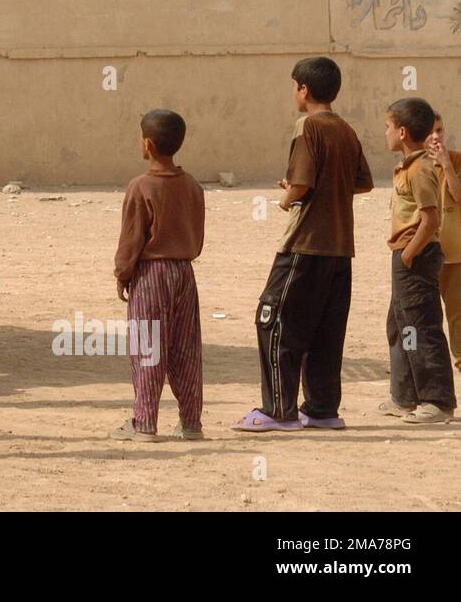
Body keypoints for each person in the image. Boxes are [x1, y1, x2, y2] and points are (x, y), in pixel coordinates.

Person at [233, 57, 374, 433]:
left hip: (304, 245)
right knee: (326, 329)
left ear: (303, 89)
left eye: (293, 86)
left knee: (273, 319)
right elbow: (362, 181)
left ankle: (278, 410)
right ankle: (323, 409)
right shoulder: (346, 129)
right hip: (340, 248)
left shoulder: (308, 126)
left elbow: (300, 185)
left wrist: (287, 197)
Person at [110, 109, 205, 442]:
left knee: (147, 347)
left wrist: (123, 273)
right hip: (184, 272)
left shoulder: (141, 187)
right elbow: (197, 234)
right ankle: (191, 423)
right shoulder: (192, 185)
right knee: (185, 348)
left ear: (147, 144)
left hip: (150, 274)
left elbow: (132, 237)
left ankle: (144, 423)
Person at [380, 97, 455, 423]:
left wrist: (409, 254)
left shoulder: (422, 169)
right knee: (399, 325)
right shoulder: (409, 166)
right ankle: (404, 396)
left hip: (417, 254)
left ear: (403, 131)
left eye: (388, 127)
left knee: (421, 326)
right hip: (405, 254)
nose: (385, 133)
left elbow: (430, 219)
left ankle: (437, 401)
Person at [427, 113, 461, 371]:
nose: (436, 137)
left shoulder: (457, 160)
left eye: (440, 130)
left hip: (454, 254)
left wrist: (447, 165)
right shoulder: (416, 165)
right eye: (430, 131)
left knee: (457, 314)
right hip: (425, 252)